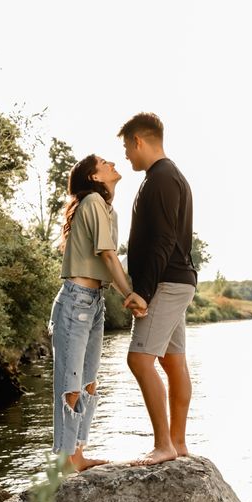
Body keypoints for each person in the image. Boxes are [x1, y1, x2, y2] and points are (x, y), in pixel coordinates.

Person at [49, 154, 147, 472]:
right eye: (104, 163)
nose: (113, 164)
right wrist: (129, 293)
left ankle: (78, 453)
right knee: (71, 382)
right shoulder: (92, 200)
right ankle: (67, 458)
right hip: (75, 301)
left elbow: (110, 255)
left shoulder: (108, 209)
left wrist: (122, 293)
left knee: (90, 382)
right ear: (93, 177)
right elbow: (107, 255)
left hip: (94, 303)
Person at [118, 113, 198, 465]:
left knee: (139, 358)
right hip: (177, 281)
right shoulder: (167, 176)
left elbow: (164, 240)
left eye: (125, 147)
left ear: (139, 141)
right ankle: (177, 444)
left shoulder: (162, 179)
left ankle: (164, 444)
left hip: (165, 283)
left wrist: (144, 292)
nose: (125, 156)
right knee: (171, 359)